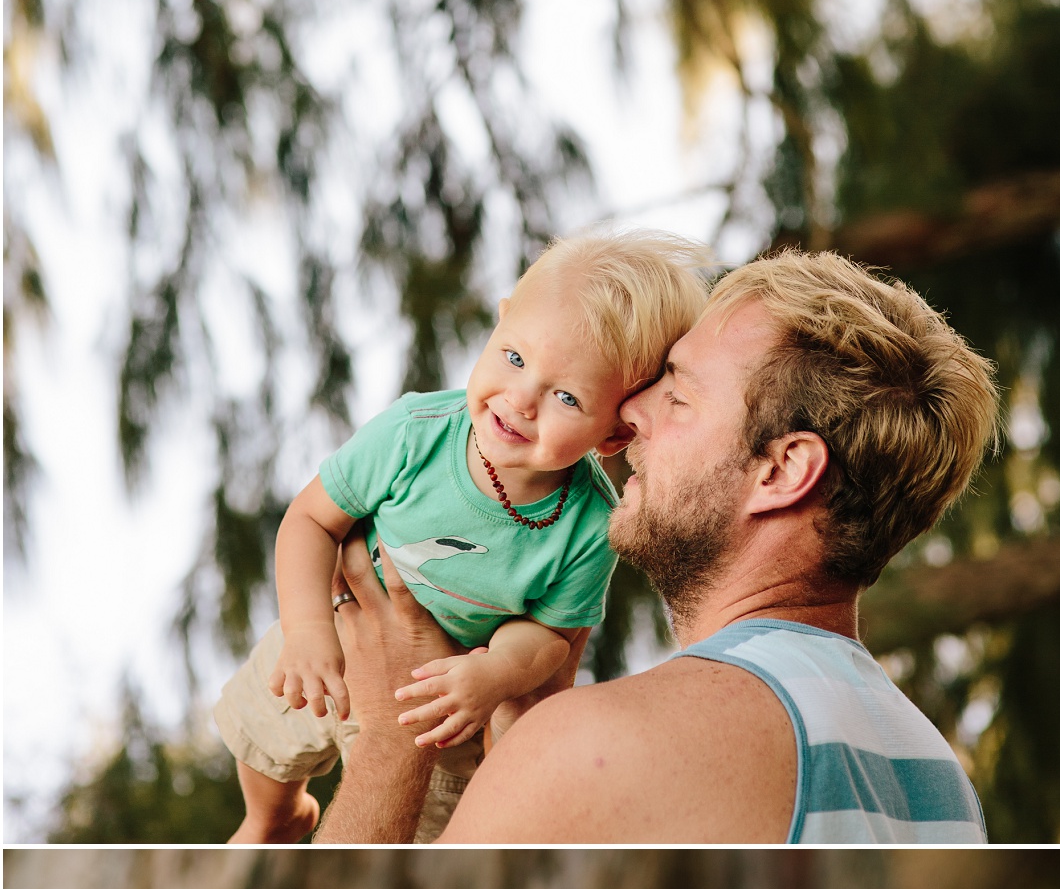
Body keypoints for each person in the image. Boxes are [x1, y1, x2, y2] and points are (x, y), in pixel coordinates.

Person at [426, 252, 999, 848]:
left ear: (781, 470)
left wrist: (388, 731)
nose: (630, 411)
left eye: (677, 397)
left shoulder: (601, 743)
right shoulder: (948, 790)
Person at [214, 232, 709, 844]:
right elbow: (312, 521)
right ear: (500, 323)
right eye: (516, 357)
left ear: (613, 436)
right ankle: (275, 816)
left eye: (567, 397)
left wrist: (496, 675)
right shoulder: (413, 435)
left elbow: (551, 636)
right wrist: (308, 631)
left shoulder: (588, 526)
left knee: (418, 826)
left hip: (444, 697)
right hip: (337, 640)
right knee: (266, 738)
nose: (521, 400)